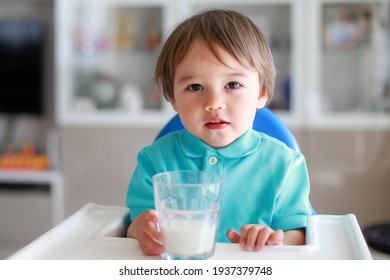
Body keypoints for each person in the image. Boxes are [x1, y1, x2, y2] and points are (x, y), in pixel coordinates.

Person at [126, 9, 311, 256]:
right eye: (195, 87)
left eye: (233, 84)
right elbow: (135, 225)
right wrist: (142, 231)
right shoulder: (154, 161)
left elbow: (298, 234)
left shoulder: (285, 165)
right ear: (172, 98)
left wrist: (275, 240)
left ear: (262, 93)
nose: (214, 102)